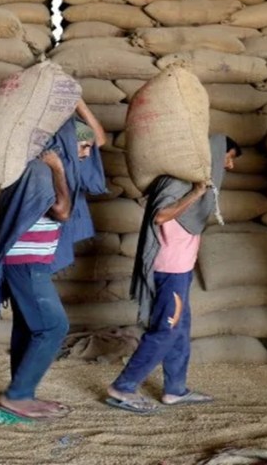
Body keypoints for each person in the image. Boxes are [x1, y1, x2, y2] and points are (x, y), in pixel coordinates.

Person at [0, 101, 106, 420]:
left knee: (29, 327)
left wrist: (79, 103)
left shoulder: (39, 165)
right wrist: (59, 168)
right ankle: (17, 396)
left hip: (29, 262)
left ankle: (22, 391)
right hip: (26, 263)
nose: (87, 154)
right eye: (82, 146)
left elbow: (99, 139)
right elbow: (61, 211)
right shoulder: (39, 170)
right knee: (54, 326)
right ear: (64, 144)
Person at [106, 135, 241, 414]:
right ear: (216, 153)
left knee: (180, 331)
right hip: (169, 270)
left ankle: (175, 390)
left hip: (181, 269)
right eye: (229, 157)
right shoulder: (179, 183)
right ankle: (123, 386)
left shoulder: (194, 182)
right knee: (165, 331)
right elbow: (160, 216)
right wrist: (195, 193)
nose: (229, 166)